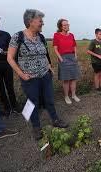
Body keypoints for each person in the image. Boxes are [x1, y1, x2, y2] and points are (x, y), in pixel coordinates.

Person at [7, 9, 68, 140]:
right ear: (31, 22)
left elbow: (44, 54)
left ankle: (55, 120)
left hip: (45, 75)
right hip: (29, 78)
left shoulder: (41, 37)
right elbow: (10, 58)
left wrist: (49, 66)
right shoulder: (18, 37)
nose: (43, 23)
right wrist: (21, 74)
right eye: (40, 21)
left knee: (49, 99)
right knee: (32, 101)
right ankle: (36, 127)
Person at [0, 14, 21, 116]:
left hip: (7, 64)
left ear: (0, 23)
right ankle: (6, 107)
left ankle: (14, 106)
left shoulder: (6, 35)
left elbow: (13, 49)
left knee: (10, 86)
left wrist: (6, 52)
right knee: (0, 88)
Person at [53, 19, 81, 104]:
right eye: (64, 25)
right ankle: (66, 96)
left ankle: (73, 95)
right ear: (60, 27)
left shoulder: (71, 35)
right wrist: (60, 58)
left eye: (67, 24)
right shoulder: (57, 35)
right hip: (63, 58)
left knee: (73, 78)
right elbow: (55, 48)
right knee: (66, 79)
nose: (67, 26)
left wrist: (75, 54)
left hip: (72, 57)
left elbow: (74, 46)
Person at [87, 28, 101, 94]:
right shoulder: (93, 42)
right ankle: (97, 88)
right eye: (100, 34)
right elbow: (88, 51)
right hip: (95, 62)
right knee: (97, 74)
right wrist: (97, 55)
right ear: (96, 34)